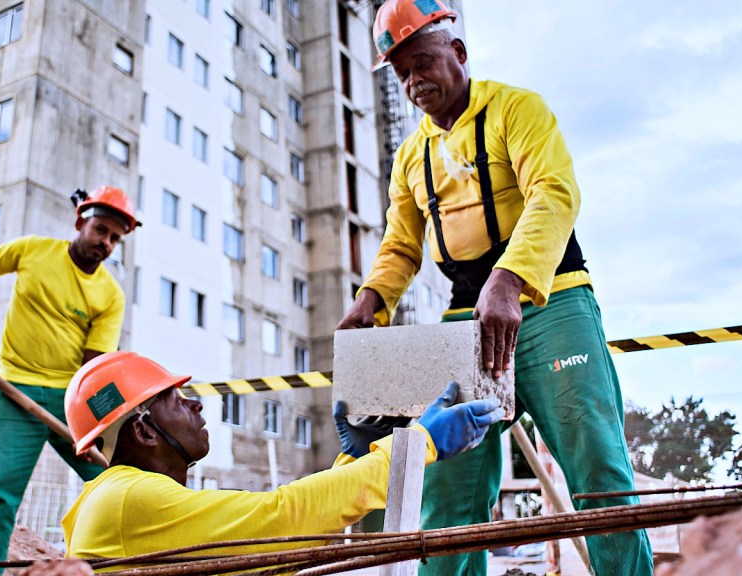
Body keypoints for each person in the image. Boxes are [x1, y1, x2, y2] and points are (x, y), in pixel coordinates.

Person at [336, 1, 654, 575]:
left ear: (457, 52)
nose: (413, 82)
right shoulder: (411, 157)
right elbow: (401, 245)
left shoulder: (517, 109)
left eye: (422, 63)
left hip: (551, 300)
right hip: (465, 320)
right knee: (448, 490)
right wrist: (371, 301)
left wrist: (509, 279)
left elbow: (553, 193)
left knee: (598, 469)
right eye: (402, 72)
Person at [60, 351, 503, 560]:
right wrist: (419, 442)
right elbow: (283, 517)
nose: (196, 405)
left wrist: (352, 463)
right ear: (142, 430)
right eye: (175, 400)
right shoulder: (128, 501)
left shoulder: (119, 498)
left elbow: (278, 533)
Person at [0, 186, 140, 576]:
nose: (106, 243)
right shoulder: (33, 251)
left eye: (115, 238)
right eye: (101, 230)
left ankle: (124, 566)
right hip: (16, 390)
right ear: (81, 222)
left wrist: (101, 426)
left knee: (117, 480)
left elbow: (92, 366)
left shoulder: (110, 295)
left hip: (71, 398)